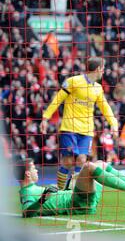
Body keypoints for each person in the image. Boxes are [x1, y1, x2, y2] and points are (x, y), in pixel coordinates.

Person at [40, 57, 119, 190]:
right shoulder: (73, 81)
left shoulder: (98, 88)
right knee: (68, 161)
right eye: (103, 69)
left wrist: (113, 123)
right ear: (98, 69)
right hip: (69, 128)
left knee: (82, 161)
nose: (103, 72)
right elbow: (58, 99)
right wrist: (45, 118)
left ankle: (72, 192)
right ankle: (60, 191)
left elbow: (105, 107)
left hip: (87, 131)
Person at [15, 157, 125, 218]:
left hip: (76, 198)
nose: (36, 171)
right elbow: (26, 213)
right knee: (88, 167)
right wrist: (43, 198)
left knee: (100, 163)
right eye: (34, 169)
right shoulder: (27, 193)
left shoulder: (31, 188)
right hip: (78, 204)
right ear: (27, 174)